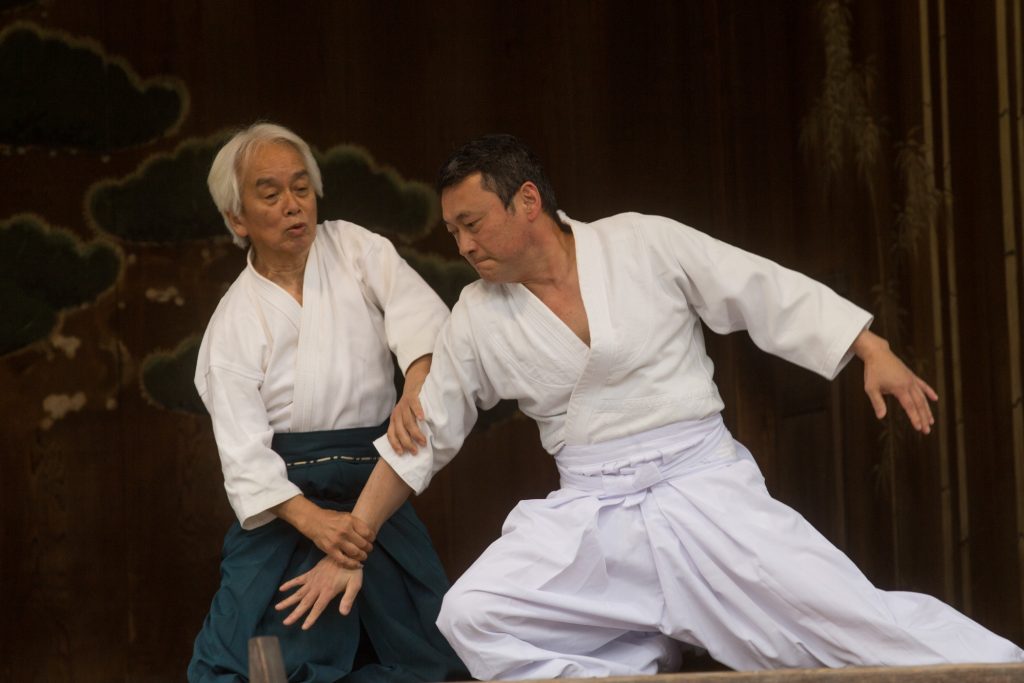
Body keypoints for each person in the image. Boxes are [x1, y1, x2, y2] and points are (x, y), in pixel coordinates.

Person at [275, 134, 1024, 679]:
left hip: (704, 488)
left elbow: (754, 286)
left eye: (472, 222)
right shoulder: (476, 313)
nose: (463, 243)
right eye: (453, 230)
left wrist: (868, 347)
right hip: (595, 517)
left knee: (853, 624)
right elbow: (423, 437)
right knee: (474, 616)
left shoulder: (640, 244)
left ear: (527, 200)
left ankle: (1003, 668)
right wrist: (355, 542)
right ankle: (630, 668)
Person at [187, 122, 467, 682]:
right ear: (237, 219)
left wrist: (416, 381)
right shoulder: (233, 323)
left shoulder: (358, 250)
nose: (293, 206)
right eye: (270, 194)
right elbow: (244, 458)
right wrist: (318, 526)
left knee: (434, 656)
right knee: (239, 664)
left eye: (301, 188)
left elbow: (427, 327)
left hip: (378, 483)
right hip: (286, 506)